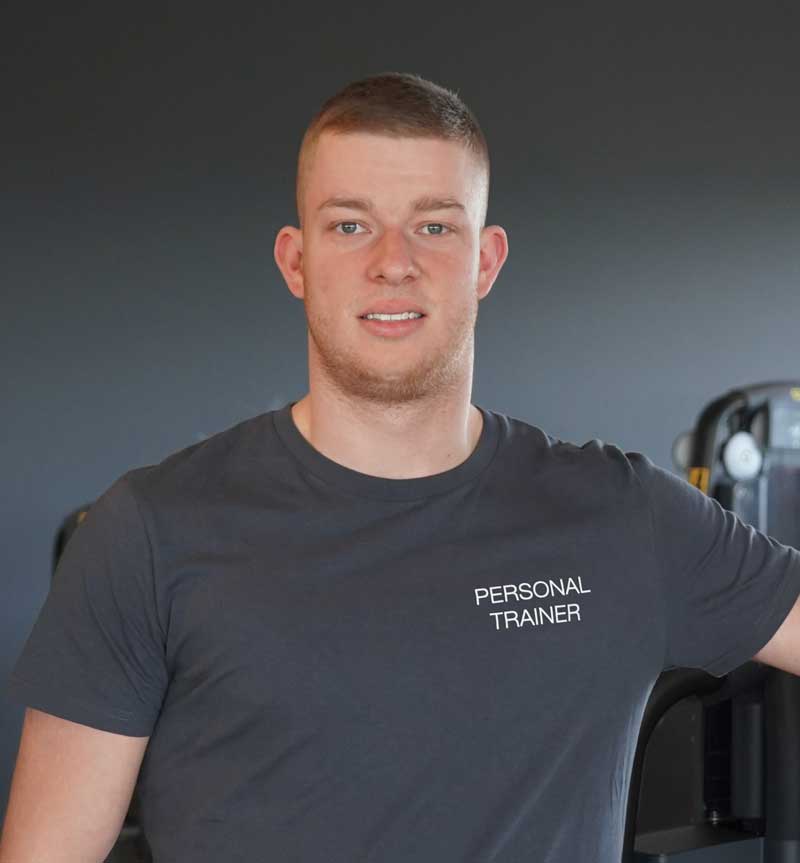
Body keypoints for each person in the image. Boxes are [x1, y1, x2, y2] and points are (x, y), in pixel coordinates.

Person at [2, 71, 799, 863]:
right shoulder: (149, 532)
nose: (393, 262)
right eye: (351, 225)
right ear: (296, 260)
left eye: (434, 226)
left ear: (485, 260)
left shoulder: (624, 516)